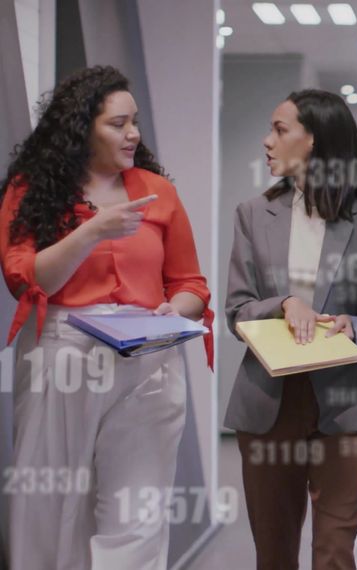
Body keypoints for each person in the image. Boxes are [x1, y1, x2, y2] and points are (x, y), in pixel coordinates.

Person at [0, 65, 213, 569]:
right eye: (118, 124)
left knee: (139, 510)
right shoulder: (33, 191)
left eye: (134, 121)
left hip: (148, 357)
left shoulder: (158, 192)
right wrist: (91, 231)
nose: (133, 134)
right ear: (81, 129)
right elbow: (26, 280)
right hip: (63, 356)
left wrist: (172, 310)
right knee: (52, 506)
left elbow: (191, 286)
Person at [224, 89, 357, 569]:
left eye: (280, 130)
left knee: (335, 552)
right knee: (274, 553)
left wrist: (351, 326)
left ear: (315, 141)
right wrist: (284, 304)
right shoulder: (253, 214)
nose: (267, 141)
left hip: (344, 404)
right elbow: (238, 310)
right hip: (267, 403)